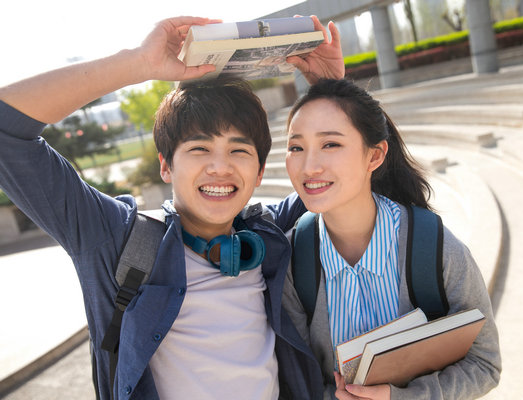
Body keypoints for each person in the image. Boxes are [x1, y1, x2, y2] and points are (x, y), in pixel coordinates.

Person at [0, 16, 344, 400]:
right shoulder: (113, 238)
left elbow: (358, 171)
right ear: (165, 165)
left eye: (239, 151)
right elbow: (6, 129)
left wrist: (332, 88)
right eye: (199, 148)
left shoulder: (269, 233)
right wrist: (139, 63)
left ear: (260, 170)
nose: (220, 166)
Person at [280, 79, 502, 400]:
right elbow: (304, 384)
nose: (309, 166)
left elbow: (484, 364)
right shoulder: (292, 261)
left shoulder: (434, 247)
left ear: (375, 156)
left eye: (330, 144)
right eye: (296, 147)